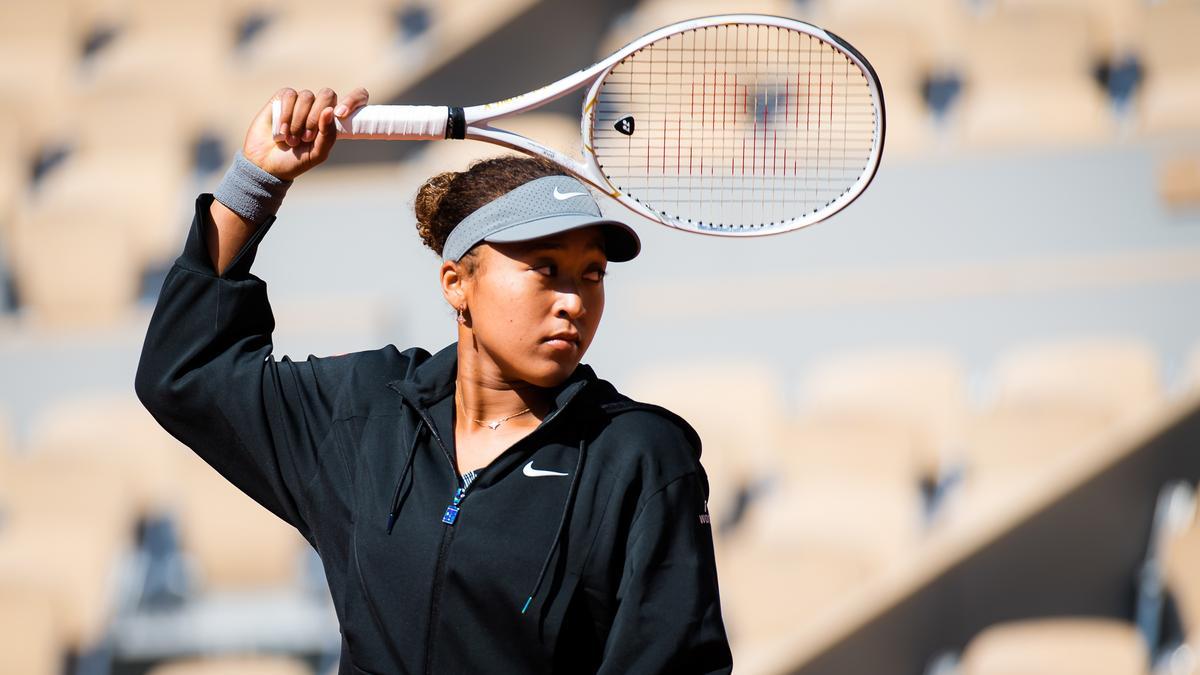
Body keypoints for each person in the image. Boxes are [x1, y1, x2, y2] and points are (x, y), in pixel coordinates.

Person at [135, 86, 732, 674]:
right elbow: (185, 373)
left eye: (592, 274)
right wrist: (256, 181)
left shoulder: (641, 456)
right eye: (546, 269)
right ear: (456, 283)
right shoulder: (363, 410)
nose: (574, 302)